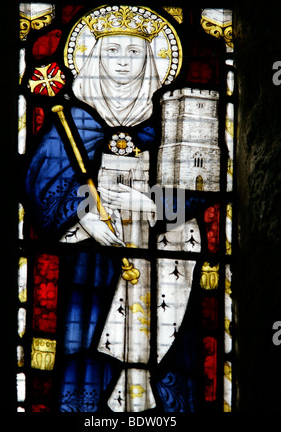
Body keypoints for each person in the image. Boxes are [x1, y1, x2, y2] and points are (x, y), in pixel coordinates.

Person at [25, 5, 207, 412]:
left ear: (151, 58)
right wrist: (85, 215)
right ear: (94, 56)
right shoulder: (72, 120)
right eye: (112, 51)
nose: (123, 61)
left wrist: (151, 203)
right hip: (93, 258)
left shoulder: (170, 120)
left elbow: (200, 184)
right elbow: (43, 184)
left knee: (167, 347)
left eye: (134, 52)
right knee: (87, 343)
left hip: (165, 257)